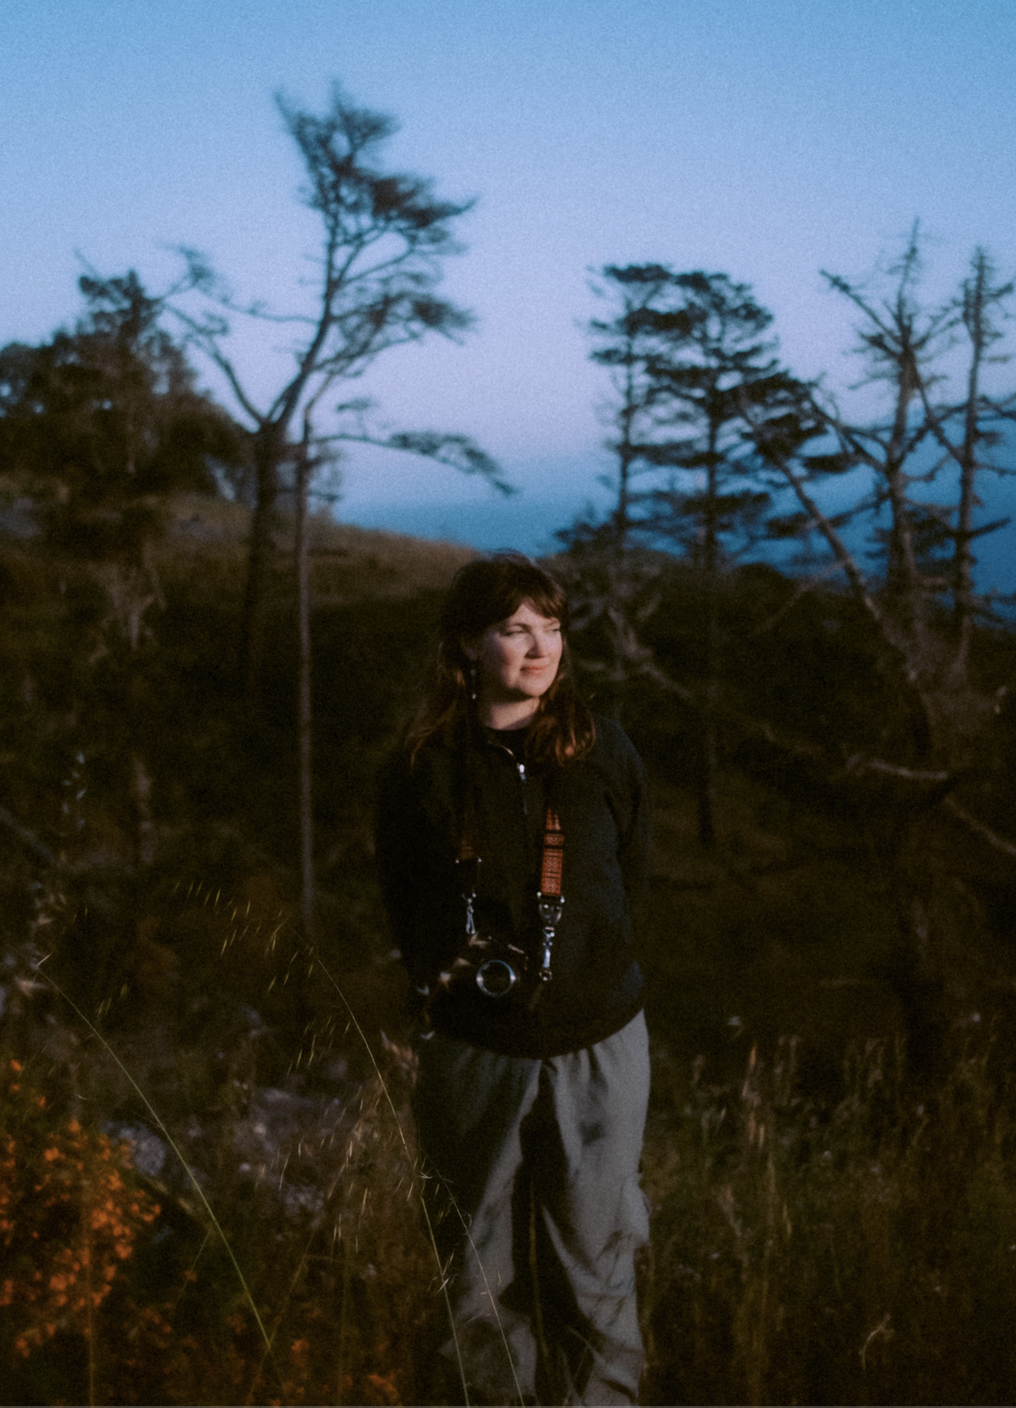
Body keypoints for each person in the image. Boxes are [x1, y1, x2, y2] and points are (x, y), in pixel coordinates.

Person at [375, 552, 652, 1406]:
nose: (541, 649)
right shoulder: (419, 769)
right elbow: (408, 913)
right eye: (514, 629)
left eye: (553, 628)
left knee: (599, 1267)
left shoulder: (604, 752)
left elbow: (629, 887)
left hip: (601, 1046)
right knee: (475, 1274)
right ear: (465, 645)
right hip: (476, 1052)